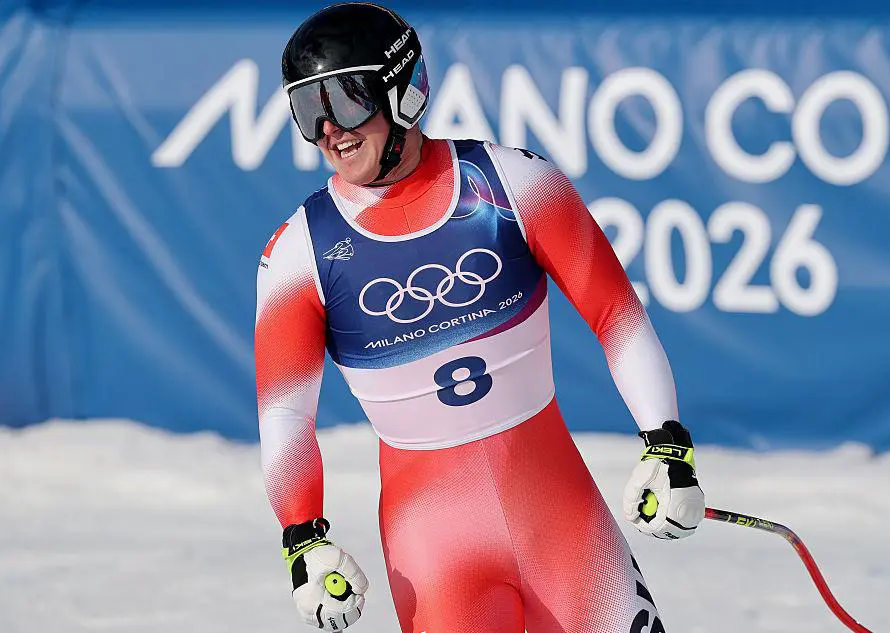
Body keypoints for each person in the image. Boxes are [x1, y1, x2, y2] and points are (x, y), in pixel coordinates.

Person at [255, 3, 705, 632]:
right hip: (436, 554)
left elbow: (616, 315)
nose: (329, 129)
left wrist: (667, 443)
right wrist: (302, 539)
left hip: (562, 523)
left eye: (347, 100)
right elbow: (286, 415)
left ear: (403, 92)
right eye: (308, 108)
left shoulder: (513, 183)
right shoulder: (299, 253)